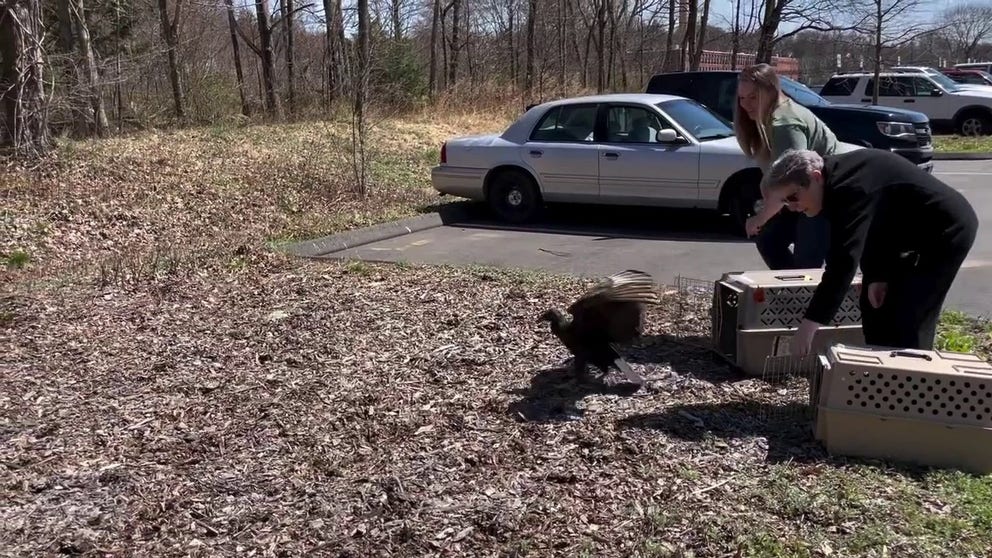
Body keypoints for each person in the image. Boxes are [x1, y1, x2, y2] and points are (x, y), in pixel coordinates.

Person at [762, 147, 979, 356]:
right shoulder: (833, 185)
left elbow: (843, 262)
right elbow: (872, 231)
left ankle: (914, 378)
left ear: (816, 177)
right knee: (874, 306)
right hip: (901, 234)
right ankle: (882, 371)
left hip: (946, 229)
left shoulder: (850, 187)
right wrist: (877, 276)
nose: (792, 207)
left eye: (792, 197)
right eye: (784, 201)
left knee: (912, 312)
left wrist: (810, 324)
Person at [734, 63, 848, 270]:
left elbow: (791, 181)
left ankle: (805, 296)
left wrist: (759, 219)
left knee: (806, 263)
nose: (746, 104)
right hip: (805, 192)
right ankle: (791, 293)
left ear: (771, 92)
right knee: (769, 240)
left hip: (827, 196)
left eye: (753, 97)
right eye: (742, 98)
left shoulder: (785, 123)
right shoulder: (771, 117)